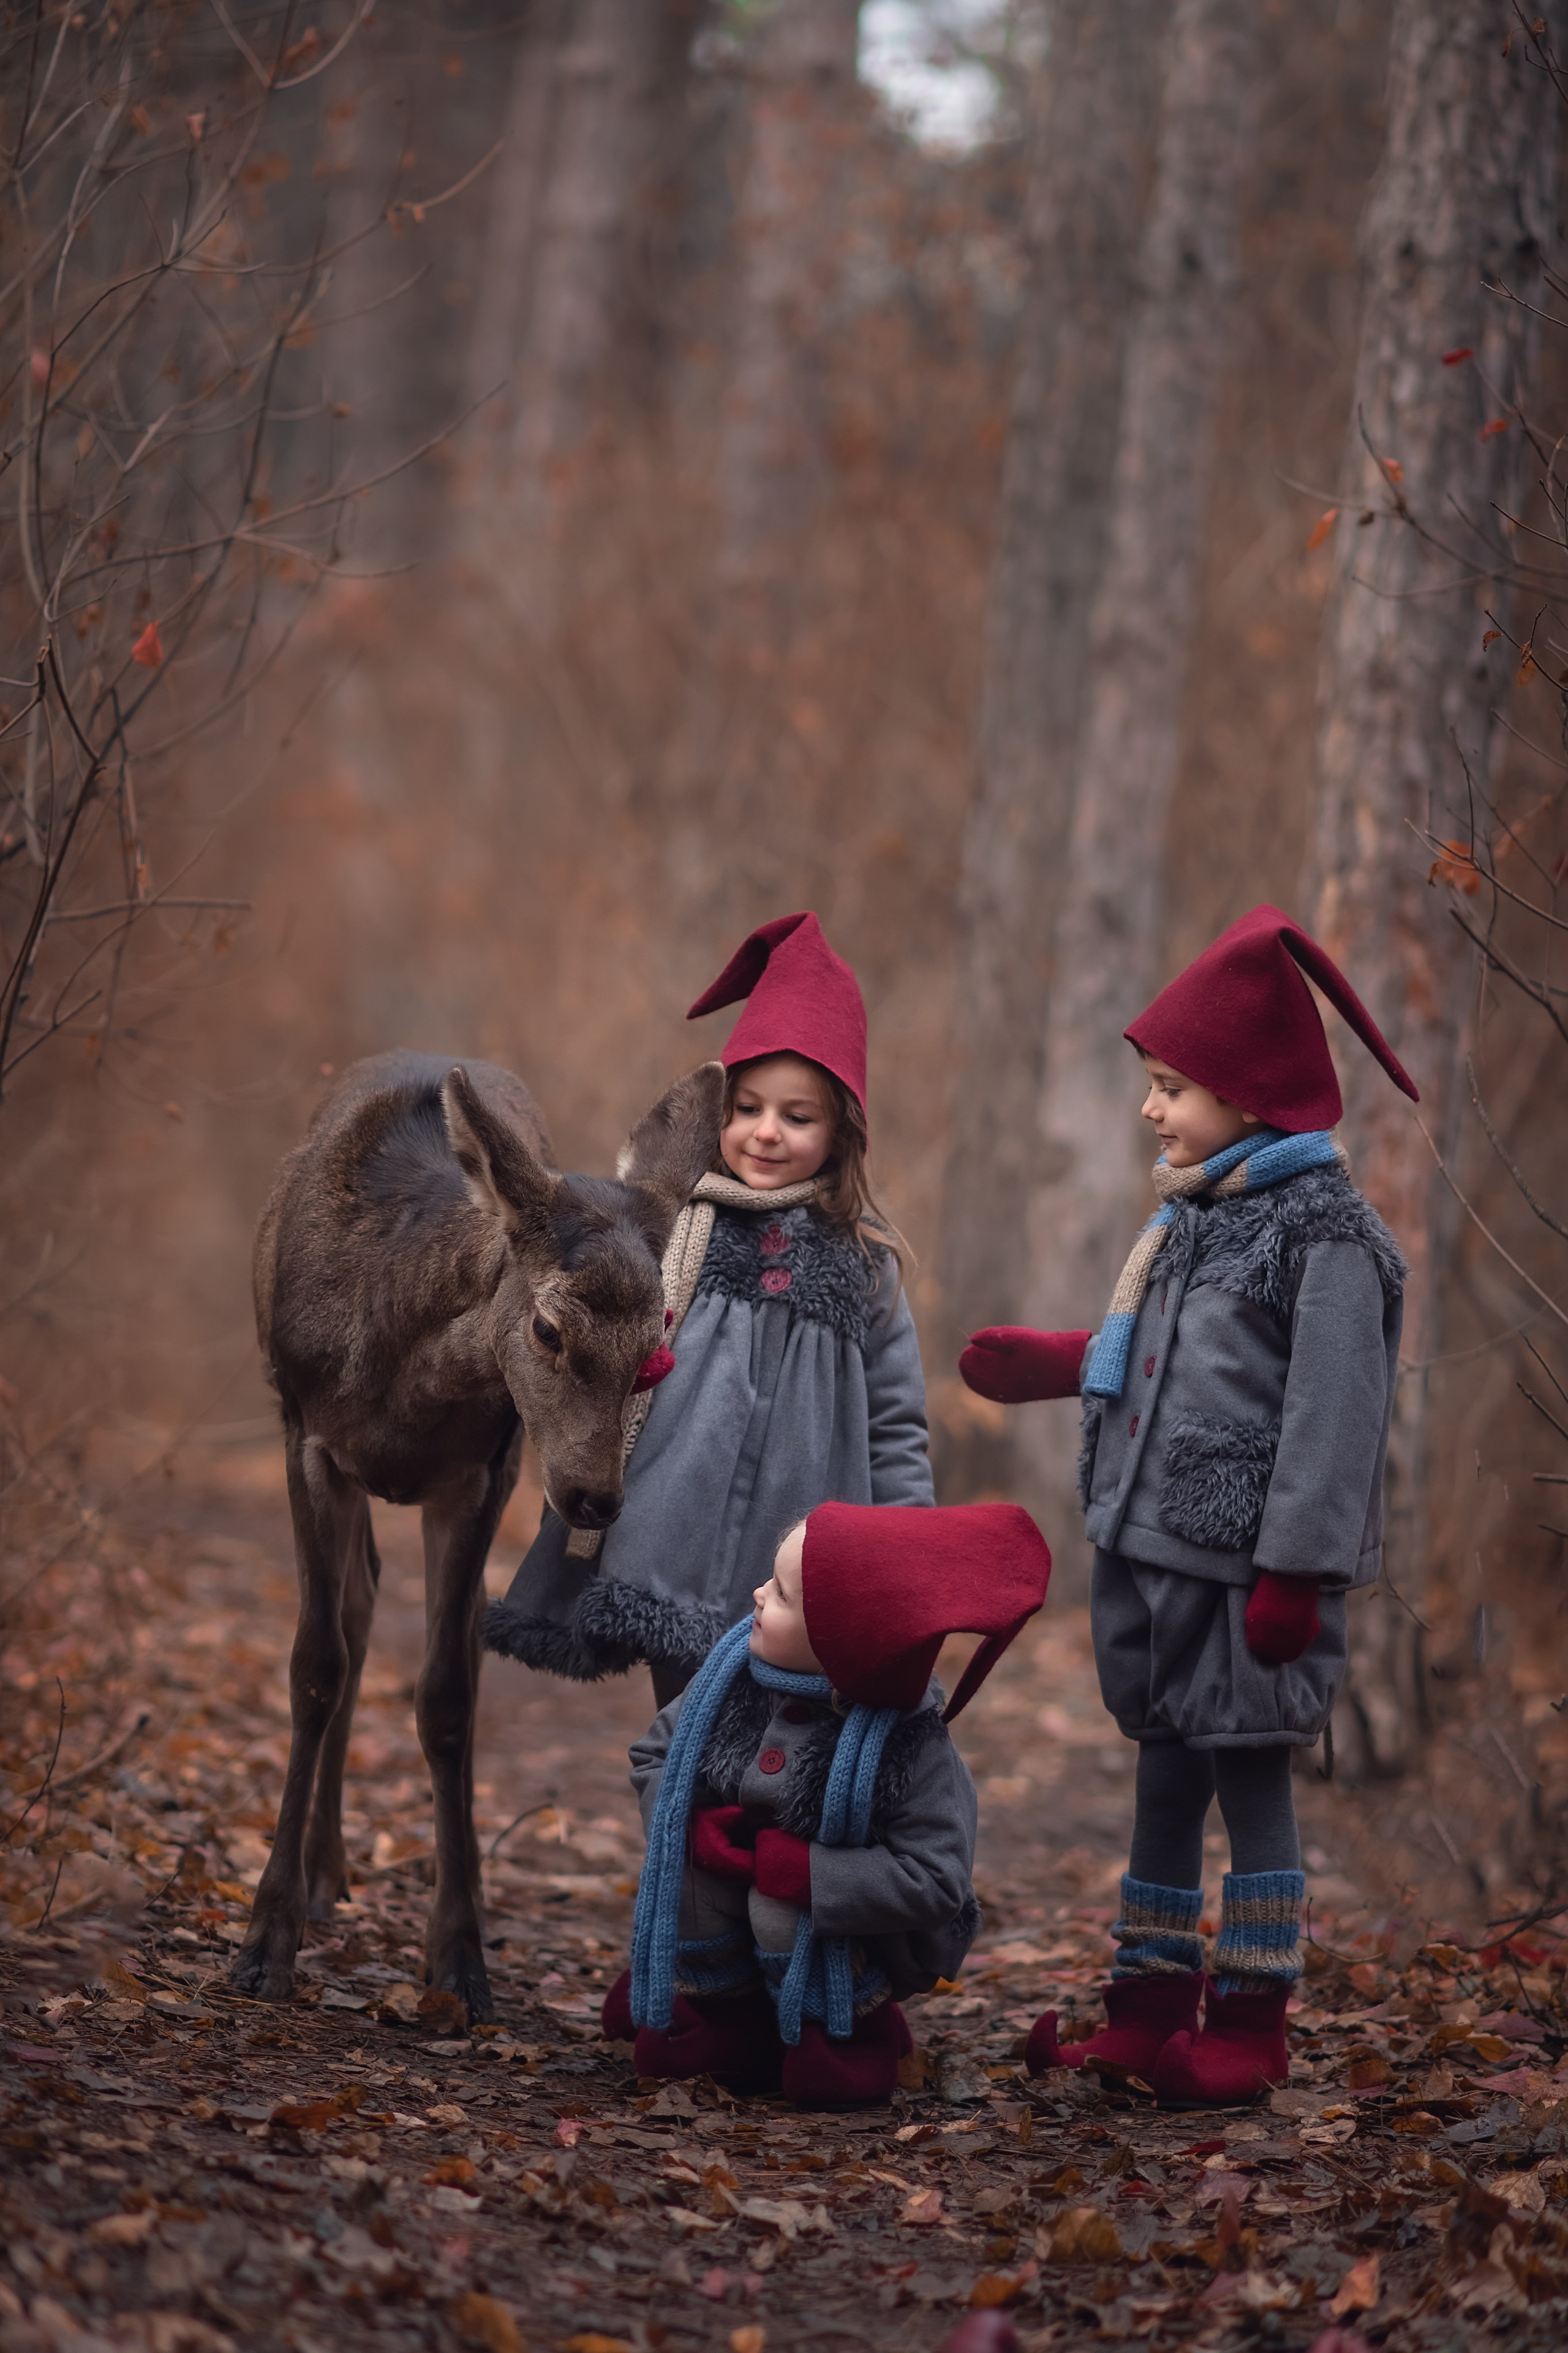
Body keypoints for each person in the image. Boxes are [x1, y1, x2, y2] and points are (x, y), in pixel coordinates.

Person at [960, 906, 1414, 2106]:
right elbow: (1157, 1357)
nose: (1150, 1110)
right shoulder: (1189, 1218)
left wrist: (1295, 1572)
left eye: (1171, 1087)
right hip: (1153, 1553)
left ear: (1250, 1092)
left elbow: (1330, 1419)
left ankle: (1250, 2023)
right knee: (1162, 1783)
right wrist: (1060, 1361)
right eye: (1150, 1085)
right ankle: (1147, 2007)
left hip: (1246, 1573)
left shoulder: (1325, 1240)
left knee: (1251, 1787)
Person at [483, 912, 933, 1707]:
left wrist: (907, 1554)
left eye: (798, 1117)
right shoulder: (665, 1231)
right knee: (681, 1730)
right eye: (747, 1107)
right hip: (672, 1547)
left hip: (798, 1566)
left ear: (842, 1132)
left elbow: (897, 1424)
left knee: (782, 1749)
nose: (765, 1133)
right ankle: (671, 1837)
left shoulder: (864, 1265)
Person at [609, 1498, 1051, 2108]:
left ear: (845, 1640)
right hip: (732, 1897)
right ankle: (722, 2014)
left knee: (778, 1910)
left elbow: (936, 1880)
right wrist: (689, 1825)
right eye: (771, 1579)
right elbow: (654, 1756)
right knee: (688, 1883)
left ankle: (845, 2028)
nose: (759, 1594)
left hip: (855, 1933)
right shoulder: (730, 1683)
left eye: (784, 1595)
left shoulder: (910, 1745)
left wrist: (808, 1873)